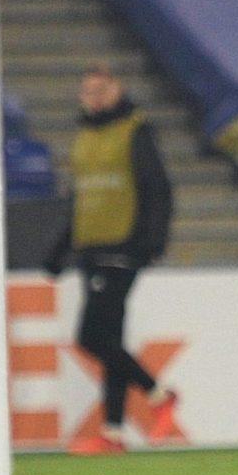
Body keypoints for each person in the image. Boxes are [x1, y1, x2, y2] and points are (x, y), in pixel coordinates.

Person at [44, 65, 177, 455]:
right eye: (88, 91)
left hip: (122, 248)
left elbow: (158, 189)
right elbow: (81, 200)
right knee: (112, 340)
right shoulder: (85, 137)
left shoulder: (135, 132)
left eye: (102, 89)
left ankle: (159, 394)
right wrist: (62, 249)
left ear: (118, 90)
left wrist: (151, 242)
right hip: (91, 249)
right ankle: (113, 432)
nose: (95, 97)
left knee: (90, 337)